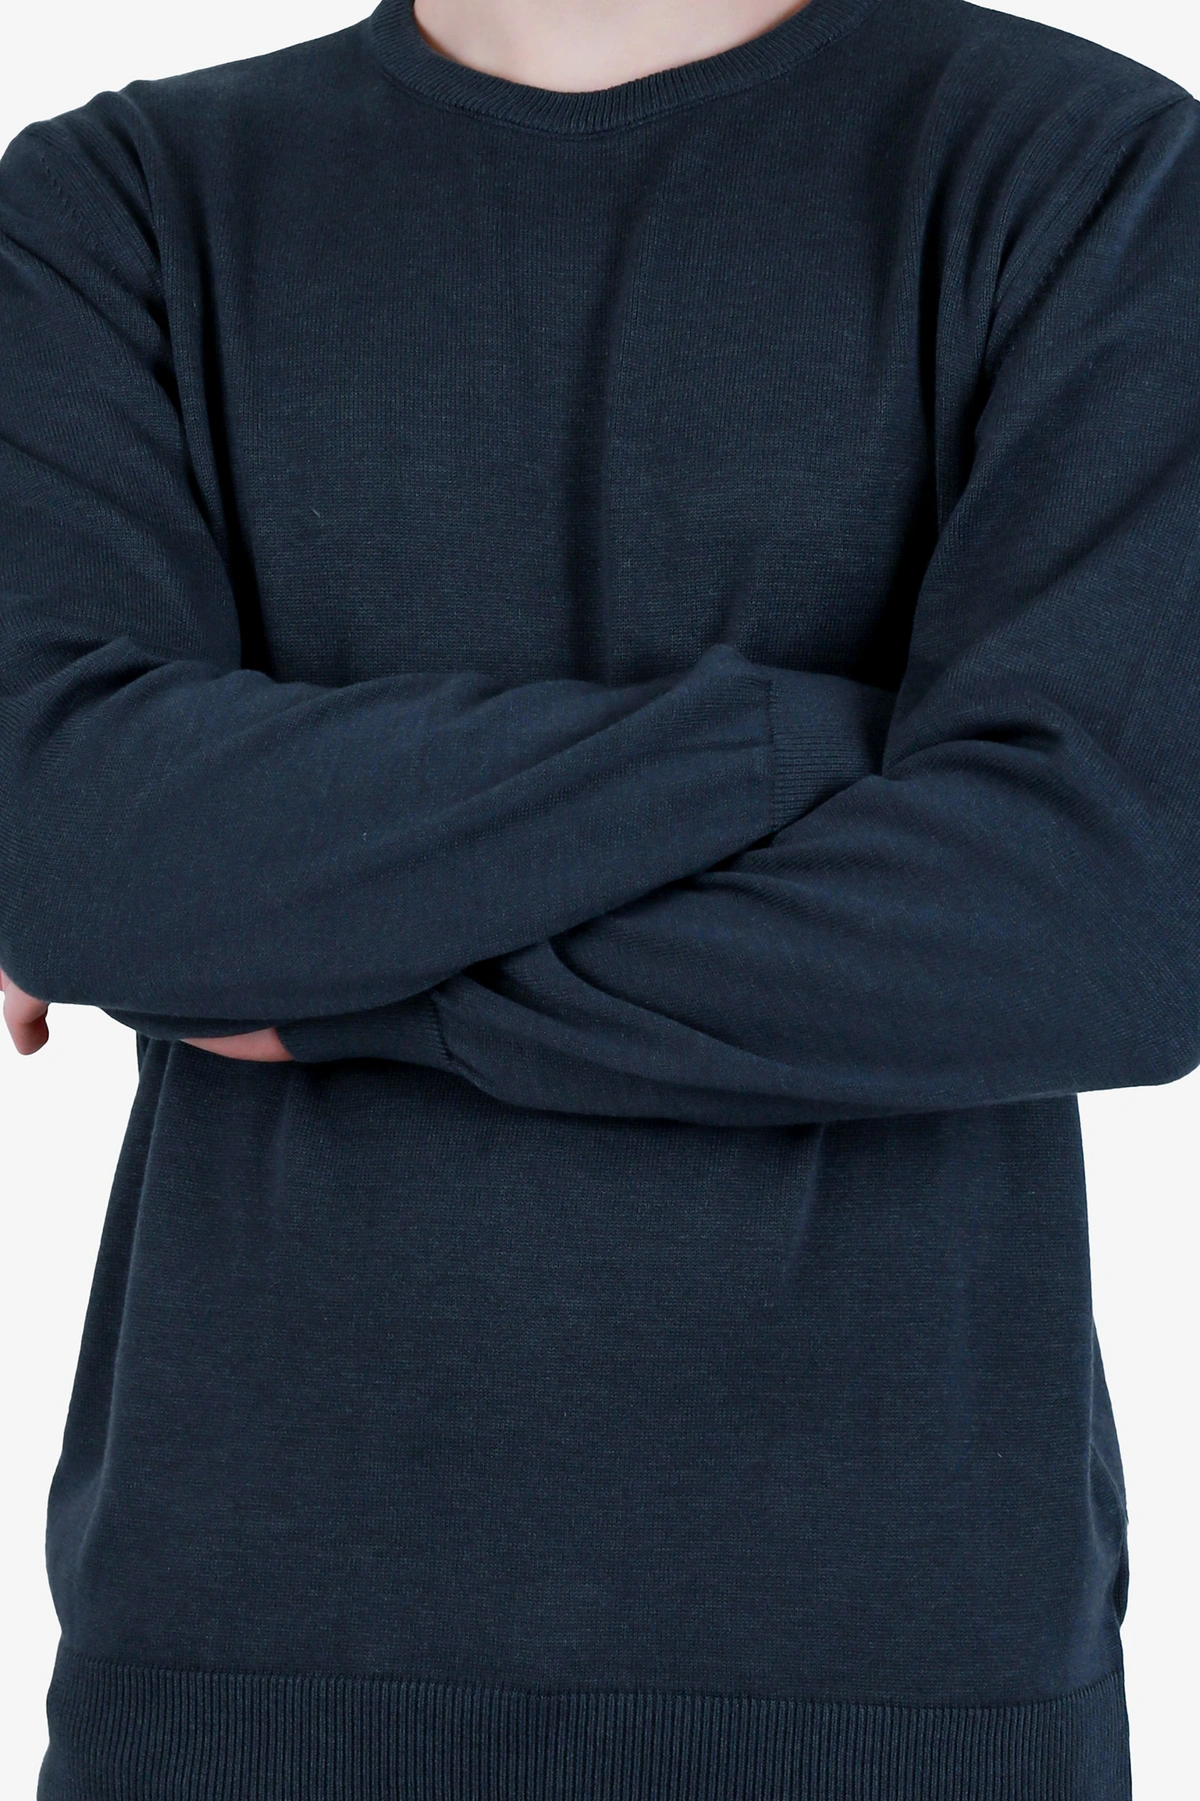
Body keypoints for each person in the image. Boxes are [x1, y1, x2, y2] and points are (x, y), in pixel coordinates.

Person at [2, 0, 1198, 1794]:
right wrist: (800, 743)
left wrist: (327, 985)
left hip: (901, 1683)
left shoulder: (1087, 172)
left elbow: (1105, 918)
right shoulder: (117, 202)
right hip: (235, 1662)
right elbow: (71, 844)